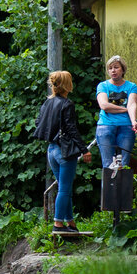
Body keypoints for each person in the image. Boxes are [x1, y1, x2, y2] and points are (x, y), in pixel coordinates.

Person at [33, 71, 92, 233]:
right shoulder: (67, 104)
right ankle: (58, 224)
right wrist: (84, 149)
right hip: (64, 152)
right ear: (67, 84)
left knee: (64, 188)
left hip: (51, 150)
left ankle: (70, 222)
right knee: (64, 189)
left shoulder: (47, 103)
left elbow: (39, 122)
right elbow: (72, 130)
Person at [95, 55, 137, 168]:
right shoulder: (103, 85)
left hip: (126, 126)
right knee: (108, 165)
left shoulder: (131, 86)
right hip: (106, 126)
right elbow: (104, 105)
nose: (113, 70)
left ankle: (121, 186)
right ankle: (108, 186)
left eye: (116, 67)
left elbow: (132, 104)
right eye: (110, 68)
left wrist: (133, 121)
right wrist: (125, 109)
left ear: (123, 69)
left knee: (123, 164)